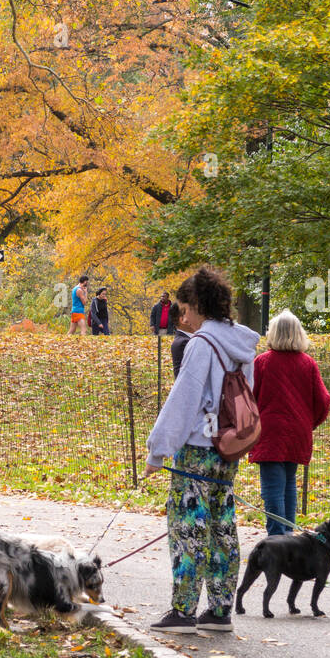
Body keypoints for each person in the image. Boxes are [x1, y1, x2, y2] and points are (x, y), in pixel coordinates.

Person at [143, 265, 259, 634]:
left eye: (184, 308)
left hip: (197, 447)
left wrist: (158, 451)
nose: (182, 316)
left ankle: (183, 610)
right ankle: (221, 608)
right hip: (228, 448)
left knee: (187, 525)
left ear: (198, 306)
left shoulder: (201, 345)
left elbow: (183, 401)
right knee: (221, 524)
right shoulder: (242, 345)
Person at [249, 310, 330, 534]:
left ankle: (277, 536)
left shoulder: (262, 363)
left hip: (269, 433)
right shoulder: (308, 364)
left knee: (273, 488)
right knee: (288, 485)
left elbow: (250, 398)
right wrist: (308, 423)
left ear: (273, 333)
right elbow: (323, 400)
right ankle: (288, 534)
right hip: (297, 432)